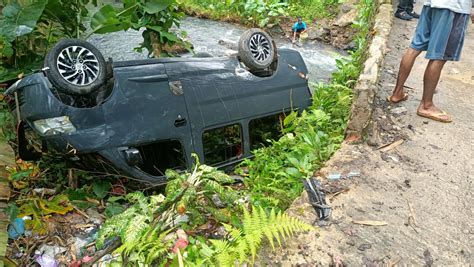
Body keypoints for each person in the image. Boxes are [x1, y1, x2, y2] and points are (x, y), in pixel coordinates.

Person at [388, 0, 474, 123]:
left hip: (431, 4)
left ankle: (397, 93)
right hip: (453, 7)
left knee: (414, 48)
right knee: (440, 56)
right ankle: (426, 105)